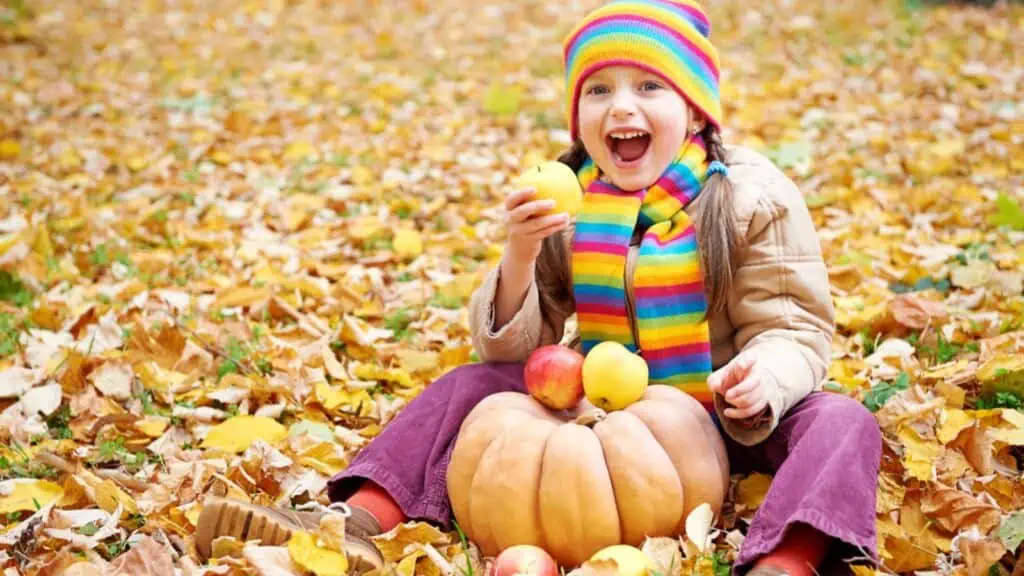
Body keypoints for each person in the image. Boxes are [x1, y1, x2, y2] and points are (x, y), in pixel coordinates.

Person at [196, 1, 883, 574]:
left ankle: (785, 558)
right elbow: (522, 345)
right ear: (577, 115)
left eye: (649, 88)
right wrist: (521, 254)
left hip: (731, 415)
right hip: (610, 422)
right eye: (599, 90)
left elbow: (795, 325)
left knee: (843, 423)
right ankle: (359, 520)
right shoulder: (570, 202)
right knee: (469, 386)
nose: (622, 107)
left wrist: (766, 377)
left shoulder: (748, 199)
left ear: (697, 113)